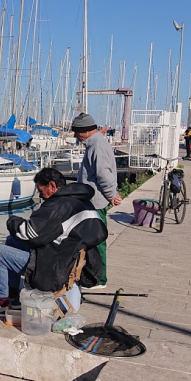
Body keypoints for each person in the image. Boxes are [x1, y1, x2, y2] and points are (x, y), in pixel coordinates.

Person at [0, 168, 108, 315]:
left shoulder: (58, 206)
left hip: (54, 269)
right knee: (12, 240)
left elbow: (29, 233)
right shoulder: (82, 202)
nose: (41, 196)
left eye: (41, 190)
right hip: (70, 261)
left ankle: (1, 303)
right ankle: (13, 295)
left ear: (52, 186)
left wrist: (12, 220)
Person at [71, 113, 121, 289]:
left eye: (76, 132)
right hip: (92, 200)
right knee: (91, 239)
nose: (75, 136)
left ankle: (100, 279)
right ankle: (92, 274)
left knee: (97, 240)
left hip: (96, 202)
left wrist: (111, 195)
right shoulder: (95, 143)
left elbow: (103, 174)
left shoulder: (97, 146)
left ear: (85, 131)